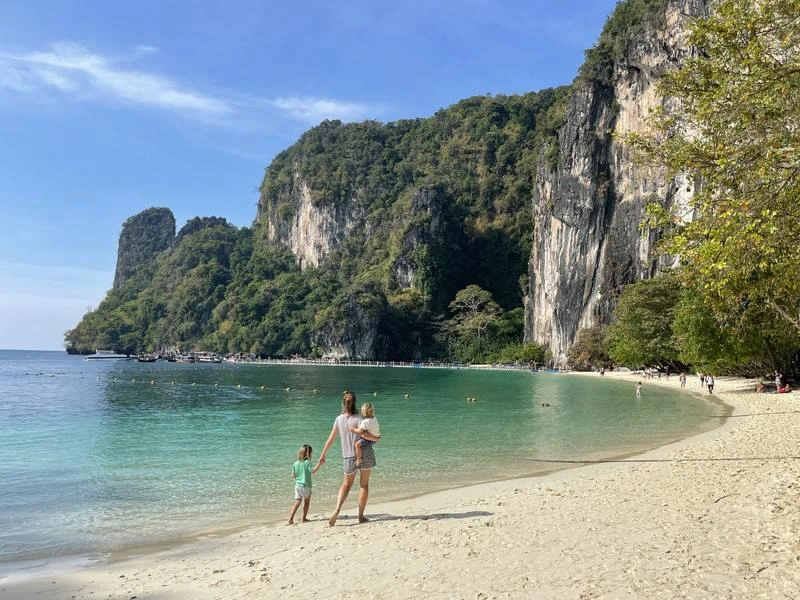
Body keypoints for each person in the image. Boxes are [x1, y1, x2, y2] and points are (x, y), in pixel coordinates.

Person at [319, 391, 381, 526]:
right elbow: (366, 435)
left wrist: (323, 455)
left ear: (343, 404)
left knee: (346, 485)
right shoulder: (361, 418)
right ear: (355, 403)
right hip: (365, 453)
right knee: (364, 485)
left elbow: (330, 440)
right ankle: (361, 516)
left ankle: (337, 510)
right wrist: (377, 438)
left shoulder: (338, 419)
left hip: (347, 457)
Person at [288, 444, 321, 525]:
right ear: (308, 454)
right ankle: (304, 518)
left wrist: (299, 476)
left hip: (297, 486)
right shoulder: (307, 462)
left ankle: (291, 519)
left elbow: (293, 475)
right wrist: (319, 464)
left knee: (297, 502)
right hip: (306, 486)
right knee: (306, 502)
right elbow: (313, 471)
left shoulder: (295, 463)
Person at [350, 402, 380, 467]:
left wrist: (353, 429)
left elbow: (359, 431)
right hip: (376, 437)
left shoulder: (365, 422)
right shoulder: (374, 418)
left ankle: (359, 459)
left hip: (370, 440)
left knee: (357, 445)